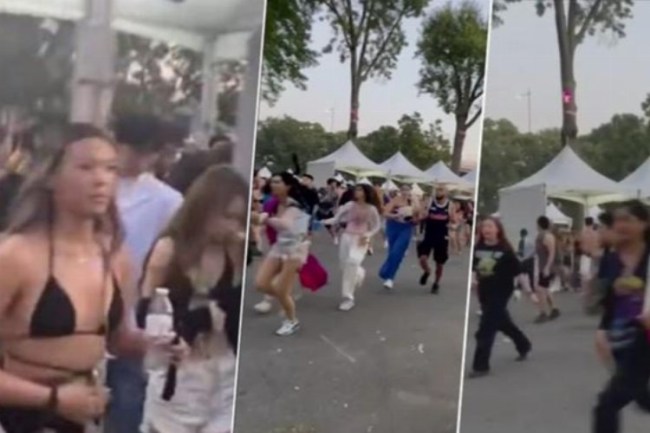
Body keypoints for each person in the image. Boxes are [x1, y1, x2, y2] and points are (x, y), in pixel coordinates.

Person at [0, 123, 179, 433]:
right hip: (17, 415)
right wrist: (53, 398)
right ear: (51, 176)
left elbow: (118, 339)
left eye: (110, 169)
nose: (101, 180)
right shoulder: (18, 255)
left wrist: (155, 345)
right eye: (86, 167)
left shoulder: (116, 257)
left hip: (82, 412)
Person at [139, 165, 246, 433]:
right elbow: (145, 314)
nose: (232, 226)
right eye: (227, 216)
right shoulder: (169, 249)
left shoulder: (232, 249)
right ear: (204, 208)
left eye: (239, 218)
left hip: (225, 372)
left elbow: (235, 311)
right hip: (181, 378)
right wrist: (199, 319)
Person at [107, 114, 183, 433]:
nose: (138, 159)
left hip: (130, 310)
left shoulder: (167, 200)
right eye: (132, 149)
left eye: (147, 152)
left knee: (127, 398)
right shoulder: (92, 186)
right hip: (78, 307)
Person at [592, 201, 650, 433]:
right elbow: (606, 302)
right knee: (639, 395)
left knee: (607, 405)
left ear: (644, 223)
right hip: (621, 337)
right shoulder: (611, 259)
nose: (621, 225)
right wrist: (602, 330)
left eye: (628, 220)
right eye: (617, 220)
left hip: (644, 338)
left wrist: (641, 293)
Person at [470, 217, 531, 378]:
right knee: (503, 323)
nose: (487, 229)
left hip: (501, 291)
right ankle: (524, 345)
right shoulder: (478, 247)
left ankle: (480, 366)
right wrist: (473, 280)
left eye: (490, 226)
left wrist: (528, 291)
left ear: (498, 230)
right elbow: (474, 268)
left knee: (486, 329)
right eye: (484, 226)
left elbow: (519, 272)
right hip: (485, 291)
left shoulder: (505, 250)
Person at [253, 172, 312, 336]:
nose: (273, 184)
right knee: (261, 283)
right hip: (279, 247)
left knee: (281, 290)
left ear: (288, 186)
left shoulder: (294, 206)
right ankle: (286, 299)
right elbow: (264, 217)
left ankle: (292, 321)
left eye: (278, 182)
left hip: (295, 250)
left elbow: (285, 225)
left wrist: (263, 219)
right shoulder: (273, 203)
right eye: (272, 182)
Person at [322, 184, 382, 311]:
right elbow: (336, 219)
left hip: (361, 239)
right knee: (344, 265)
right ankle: (359, 272)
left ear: (366, 192)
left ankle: (348, 298)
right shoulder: (349, 205)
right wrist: (322, 221)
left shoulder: (371, 209)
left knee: (353, 261)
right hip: (347, 237)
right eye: (356, 189)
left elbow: (377, 225)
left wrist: (368, 234)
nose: (356, 191)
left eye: (359, 189)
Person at [379, 184, 419, 289]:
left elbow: (418, 215)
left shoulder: (413, 201)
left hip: (406, 228)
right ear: (400, 191)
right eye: (403, 190)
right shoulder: (395, 200)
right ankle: (386, 271)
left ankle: (390, 277)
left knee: (397, 252)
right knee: (392, 252)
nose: (405, 192)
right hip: (393, 226)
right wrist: (395, 215)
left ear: (410, 191)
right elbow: (385, 213)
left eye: (407, 190)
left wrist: (414, 216)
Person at [417, 185, 451, 294]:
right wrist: (421, 216)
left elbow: (454, 219)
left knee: (439, 263)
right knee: (422, 258)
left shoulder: (450, 205)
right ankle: (427, 271)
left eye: (441, 190)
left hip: (442, 236)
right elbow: (422, 214)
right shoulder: (430, 202)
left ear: (446, 193)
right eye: (437, 190)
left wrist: (454, 224)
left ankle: (436, 283)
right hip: (429, 235)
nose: (438, 192)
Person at [534, 216, 560, 323]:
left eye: (537, 224)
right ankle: (554, 309)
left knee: (540, 289)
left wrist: (547, 267)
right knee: (545, 288)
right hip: (542, 266)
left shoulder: (548, 236)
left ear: (539, 224)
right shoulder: (540, 236)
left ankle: (542, 313)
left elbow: (552, 253)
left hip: (547, 267)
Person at [580, 217, 600, 291]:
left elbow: (581, 246)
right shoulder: (596, 233)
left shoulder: (583, 233)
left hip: (585, 255)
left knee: (584, 276)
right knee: (594, 275)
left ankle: (586, 290)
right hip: (595, 255)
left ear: (585, 223)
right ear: (592, 223)